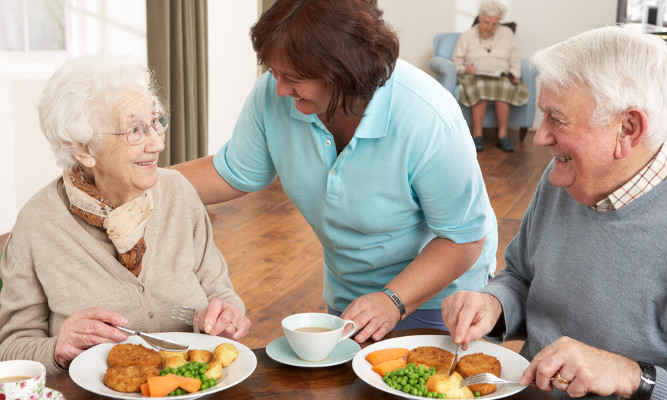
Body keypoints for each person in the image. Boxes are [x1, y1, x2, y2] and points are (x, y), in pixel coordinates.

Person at [172, 0, 498, 344]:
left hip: (443, 301)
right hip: (352, 298)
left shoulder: (428, 116)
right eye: (274, 72)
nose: (279, 88)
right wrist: (137, 181)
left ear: (343, 73)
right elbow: (231, 172)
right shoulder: (274, 95)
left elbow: (464, 239)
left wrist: (393, 300)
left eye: (293, 78)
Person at [442, 26, 667, 399]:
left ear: (628, 128)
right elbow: (522, 276)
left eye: (556, 119)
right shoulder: (566, 174)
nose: (540, 137)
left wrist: (630, 376)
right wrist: (494, 303)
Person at [0, 53, 250, 376]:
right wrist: (57, 349)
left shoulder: (179, 194)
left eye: (156, 122)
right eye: (135, 130)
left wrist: (227, 316)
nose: (157, 142)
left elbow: (222, 295)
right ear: (83, 149)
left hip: (193, 389)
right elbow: (9, 349)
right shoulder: (36, 224)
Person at [451, 0, 529, 152]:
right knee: (480, 87)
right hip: (474, 76)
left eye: (494, 24)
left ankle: (503, 135)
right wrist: (466, 69)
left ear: (499, 22)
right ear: (480, 18)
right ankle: (477, 134)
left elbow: (514, 58)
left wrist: (515, 74)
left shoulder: (506, 33)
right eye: (486, 22)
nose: (489, 27)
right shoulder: (467, 35)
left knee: (505, 87)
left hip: (500, 75)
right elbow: (456, 62)